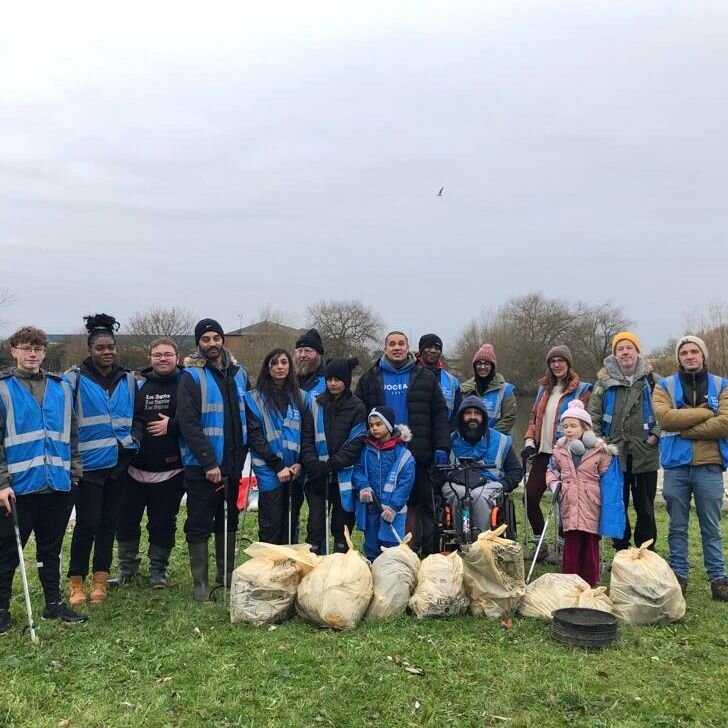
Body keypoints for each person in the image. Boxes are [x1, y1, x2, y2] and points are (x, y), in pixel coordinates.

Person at [0, 327, 86, 633]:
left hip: (58, 485)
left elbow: (74, 435)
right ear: (14, 351)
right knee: (8, 551)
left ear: (44, 352)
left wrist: (75, 473)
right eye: (26, 348)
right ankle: (2, 609)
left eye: (37, 348)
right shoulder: (3, 389)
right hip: (17, 488)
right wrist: (2, 483)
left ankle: (53, 605)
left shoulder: (62, 388)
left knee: (51, 550)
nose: (32, 353)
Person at [355, 331, 450, 556]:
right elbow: (358, 415)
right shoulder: (370, 377)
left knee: (416, 504)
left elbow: (440, 413)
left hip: (418, 453)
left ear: (408, 348)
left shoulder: (425, 377)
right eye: (392, 344)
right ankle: (380, 551)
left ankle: (416, 549)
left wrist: (442, 446)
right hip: (380, 454)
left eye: (401, 344)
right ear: (385, 347)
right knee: (384, 503)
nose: (397, 348)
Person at [65, 314, 138, 607]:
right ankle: (76, 581)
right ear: (90, 349)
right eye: (100, 348)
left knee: (110, 523)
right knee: (87, 525)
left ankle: (100, 578)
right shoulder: (74, 379)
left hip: (118, 465)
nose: (106, 352)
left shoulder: (129, 379)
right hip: (88, 466)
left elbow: (139, 417)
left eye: (111, 347)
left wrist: (136, 440)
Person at [178, 318, 249, 601]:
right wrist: (208, 462)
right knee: (199, 521)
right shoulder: (191, 376)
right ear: (198, 343)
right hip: (203, 466)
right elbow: (189, 423)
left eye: (215, 338)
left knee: (228, 518)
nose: (211, 344)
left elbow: (248, 412)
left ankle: (226, 574)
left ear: (223, 341)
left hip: (233, 462)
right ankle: (200, 584)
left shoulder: (240, 373)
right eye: (205, 339)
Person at [653, 335, 728, 601]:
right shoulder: (665, 385)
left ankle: (719, 580)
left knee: (711, 525)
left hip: (709, 466)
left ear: (702, 355)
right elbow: (665, 418)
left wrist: (685, 428)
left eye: (694, 351)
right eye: (684, 352)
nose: (689, 356)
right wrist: (708, 413)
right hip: (676, 466)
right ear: (679, 358)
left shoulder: (722, 385)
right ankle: (678, 576)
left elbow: (726, 423)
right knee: (677, 526)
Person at [114, 338, 185, 588]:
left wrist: (172, 426)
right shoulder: (138, 386)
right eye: (157, 355)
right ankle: (127, 568)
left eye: (168, 354)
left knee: (162, 523)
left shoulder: (187, 384)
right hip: (134, 470)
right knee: (125, 520)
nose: (162, 359)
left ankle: (158, 570)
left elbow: (198, 421)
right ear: (150, 358)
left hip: (171, 470)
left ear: (178, 356)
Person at [588, 332, 660, 551]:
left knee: (645, 507)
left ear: (637, 352)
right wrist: (600, 442)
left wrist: (655, 435)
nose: (625, 352)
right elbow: (593, 416)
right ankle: (621, 548)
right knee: (616, 504)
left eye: (629, 347)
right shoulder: (603, 382)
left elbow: (665, 412)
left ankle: (646, 550)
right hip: (614, 454)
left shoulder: (652, 381)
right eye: (620, 349)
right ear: (615, 354)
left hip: (645, 453)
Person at [522, 345, 592, 561]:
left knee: (565, 500)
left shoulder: (583, 390)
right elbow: (534, 419)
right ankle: (540, 543)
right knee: (530, 496)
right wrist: (528, 440)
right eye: (553, 361)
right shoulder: (544, 390)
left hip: (569, 455)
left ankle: (563, 547)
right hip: (543, 453)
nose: (557, 364)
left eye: (561, 360)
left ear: (568, 363)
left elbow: (587, 424)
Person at [545, 400, 618, 587]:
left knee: (590, 542)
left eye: (573, 426)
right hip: (569, 501)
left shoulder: (599, 451)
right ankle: (569, 582)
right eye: (565, 426)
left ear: (585, 427)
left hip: (591, 502)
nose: (568, 430)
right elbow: (551, 471)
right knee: (571, 542)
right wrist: (554, 485)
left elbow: (608, 476)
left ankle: (590, 580)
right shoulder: (559, 450)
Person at [300, 357, 366, 554]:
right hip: (317, 475)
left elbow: (356, 443)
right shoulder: (315, 404)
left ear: (345, 381)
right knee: (315, 523)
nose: (333, 383)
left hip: (343, 476)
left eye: (337, 379)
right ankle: (314, 558)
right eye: (330, 379)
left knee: (342, 523)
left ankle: (340, 559)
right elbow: (306, 437)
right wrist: (313, 463)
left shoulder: (357, 407)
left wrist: (331, 464)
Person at [245, 349, 306, 545]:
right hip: (269, 469)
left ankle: (289, 568)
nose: (280, 367)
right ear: (267, 367)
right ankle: (268, 569)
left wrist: (301, 464)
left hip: (295, 470)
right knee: (271, 523)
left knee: (291, 522)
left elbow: (308, 434)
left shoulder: (301, 398)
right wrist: (278, 466)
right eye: (274, 363)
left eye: (284, 362)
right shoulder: (254, 398)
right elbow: (255, 436)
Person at [442, 395, 523, 539]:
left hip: (489, 484)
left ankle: (480, 540)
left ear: (484, 418)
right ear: (461, 417)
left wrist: (503, 484)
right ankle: (461, 539)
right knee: (460, 495)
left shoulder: (501, 441)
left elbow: (516, 471)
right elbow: (438, 470)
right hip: (457, 483)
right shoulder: (449, 440)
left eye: (477, 413)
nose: (473, 417)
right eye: (468, 413)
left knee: (478, 497)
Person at [353, 406, 415, 561]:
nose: (374, 428)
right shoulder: (366, 450)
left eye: (378, 424)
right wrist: (363, 486)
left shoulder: (402, 454)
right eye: (371, 425)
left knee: (391, 549)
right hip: (372, 507)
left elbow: (405, 483)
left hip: (392, 511)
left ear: (388, 425)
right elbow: (358, 470)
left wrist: (394, 506)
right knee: (372, 545)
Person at [460, 343, 517, 434]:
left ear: (492, 366)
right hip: (469, 440)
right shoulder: (464, 389)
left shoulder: (506, 390)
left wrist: (488, 436)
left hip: (494, 441)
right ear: (474, 366)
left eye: (487, 364)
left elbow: (508, 419)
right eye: (479, 363)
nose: (482, 367)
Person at [417, 333, 462, 421]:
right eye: (429, 347)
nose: (433, 351)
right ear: (421, 350)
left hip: (443, 432)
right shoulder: (409, 375)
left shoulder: (452, 382)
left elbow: (457, 414)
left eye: (437, 348)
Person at [294, 328, 326, 395]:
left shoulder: (327, 380)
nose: (303, 355)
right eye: (299, 351)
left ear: (318, 354)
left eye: (307, 351)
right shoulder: (288, 377)